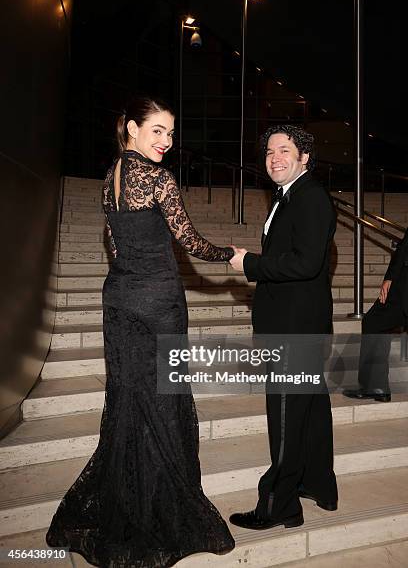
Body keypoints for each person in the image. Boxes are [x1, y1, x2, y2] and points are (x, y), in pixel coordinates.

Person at [46, 96, 235, 566]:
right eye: (157, 131)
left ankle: (126, 505)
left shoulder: (109, 179)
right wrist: (227, 254)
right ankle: (168, 509)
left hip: (119, 298)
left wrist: (132, 271)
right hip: (158, 301)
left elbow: (113, 241)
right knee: (166, 398)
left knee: (128, 400)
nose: (166, 142)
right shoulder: (158, 179)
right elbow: (188, 239)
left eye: (171, 134)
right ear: (132, 128)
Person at [228, 125, 338, 530]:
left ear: (304, 156)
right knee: (310, 410)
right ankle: (319, 485)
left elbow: (306, 263)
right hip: (299, 323)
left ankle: (278, 505)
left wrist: (251, 264)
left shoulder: (310, 198)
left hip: (296, 329)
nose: (275, 156)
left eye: (285, 149)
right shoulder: (292, 196)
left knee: (287, 415)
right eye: (270, 150)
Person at [343, 228, 408, 402]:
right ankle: (375, 386)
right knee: (374, 322)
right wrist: (390, 276)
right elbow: (405, 246)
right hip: (402, 284)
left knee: (374, 322)